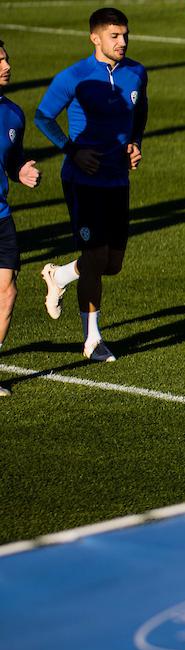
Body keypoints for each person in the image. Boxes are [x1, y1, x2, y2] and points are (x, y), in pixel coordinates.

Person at [37, 7, 147, 363]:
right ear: (95, 38)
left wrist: (136, 141)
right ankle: (92, 340)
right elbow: (43, 116)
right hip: (83, 181)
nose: (122, 42)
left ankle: (60, 275)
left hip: (118, 179)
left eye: (125, 35)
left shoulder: (136, 72)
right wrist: (73, 151)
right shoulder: (75, 76)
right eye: (114, 36)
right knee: (96, 256)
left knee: (112, 264)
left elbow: (140, 108)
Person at [0, 40, 42, 397]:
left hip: (1, 215)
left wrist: (20, 171)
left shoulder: (14, 113)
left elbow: (12, 159)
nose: (6, 66)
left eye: (6, 59)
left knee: (8, 292)